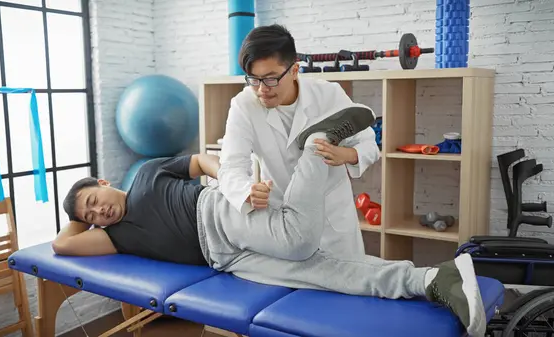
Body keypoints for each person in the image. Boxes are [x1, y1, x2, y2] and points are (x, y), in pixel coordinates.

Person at [54, 107, 486, 337]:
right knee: (324, 273)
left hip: (216, 214)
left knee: (300, 244)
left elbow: (203, 161)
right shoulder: (116, 236)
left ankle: (316, 143)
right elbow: (62, 246)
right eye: (89, 216)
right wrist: (76, 214)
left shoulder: (147, 174)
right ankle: (431, 280)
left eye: (94, 199)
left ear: (104, 181)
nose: (98, 212)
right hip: (225, 261)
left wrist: (231, 183)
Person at [217, 24, 381, 260]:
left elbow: (369, 144)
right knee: (290, 290)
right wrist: (246, 192)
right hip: (281, 221)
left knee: (344, 288)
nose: (262, 89)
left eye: (271, 79)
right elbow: (231, 165)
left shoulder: (328, 94)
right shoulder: (243, 105)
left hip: (331, 222)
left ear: (294, 70)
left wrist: (345, 155)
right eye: (254, 79)